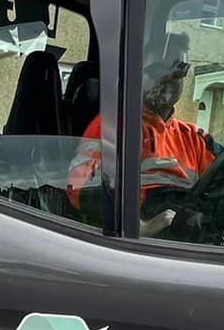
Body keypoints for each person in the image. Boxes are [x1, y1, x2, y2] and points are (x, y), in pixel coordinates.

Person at [65, 34, 213, 232]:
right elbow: (80, 189)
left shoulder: (196, 138)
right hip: (143, 243)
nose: (169, 77)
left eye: (179, 70)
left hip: (188, 232)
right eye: (158, 69)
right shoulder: (112, 126)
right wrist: (140, 226)